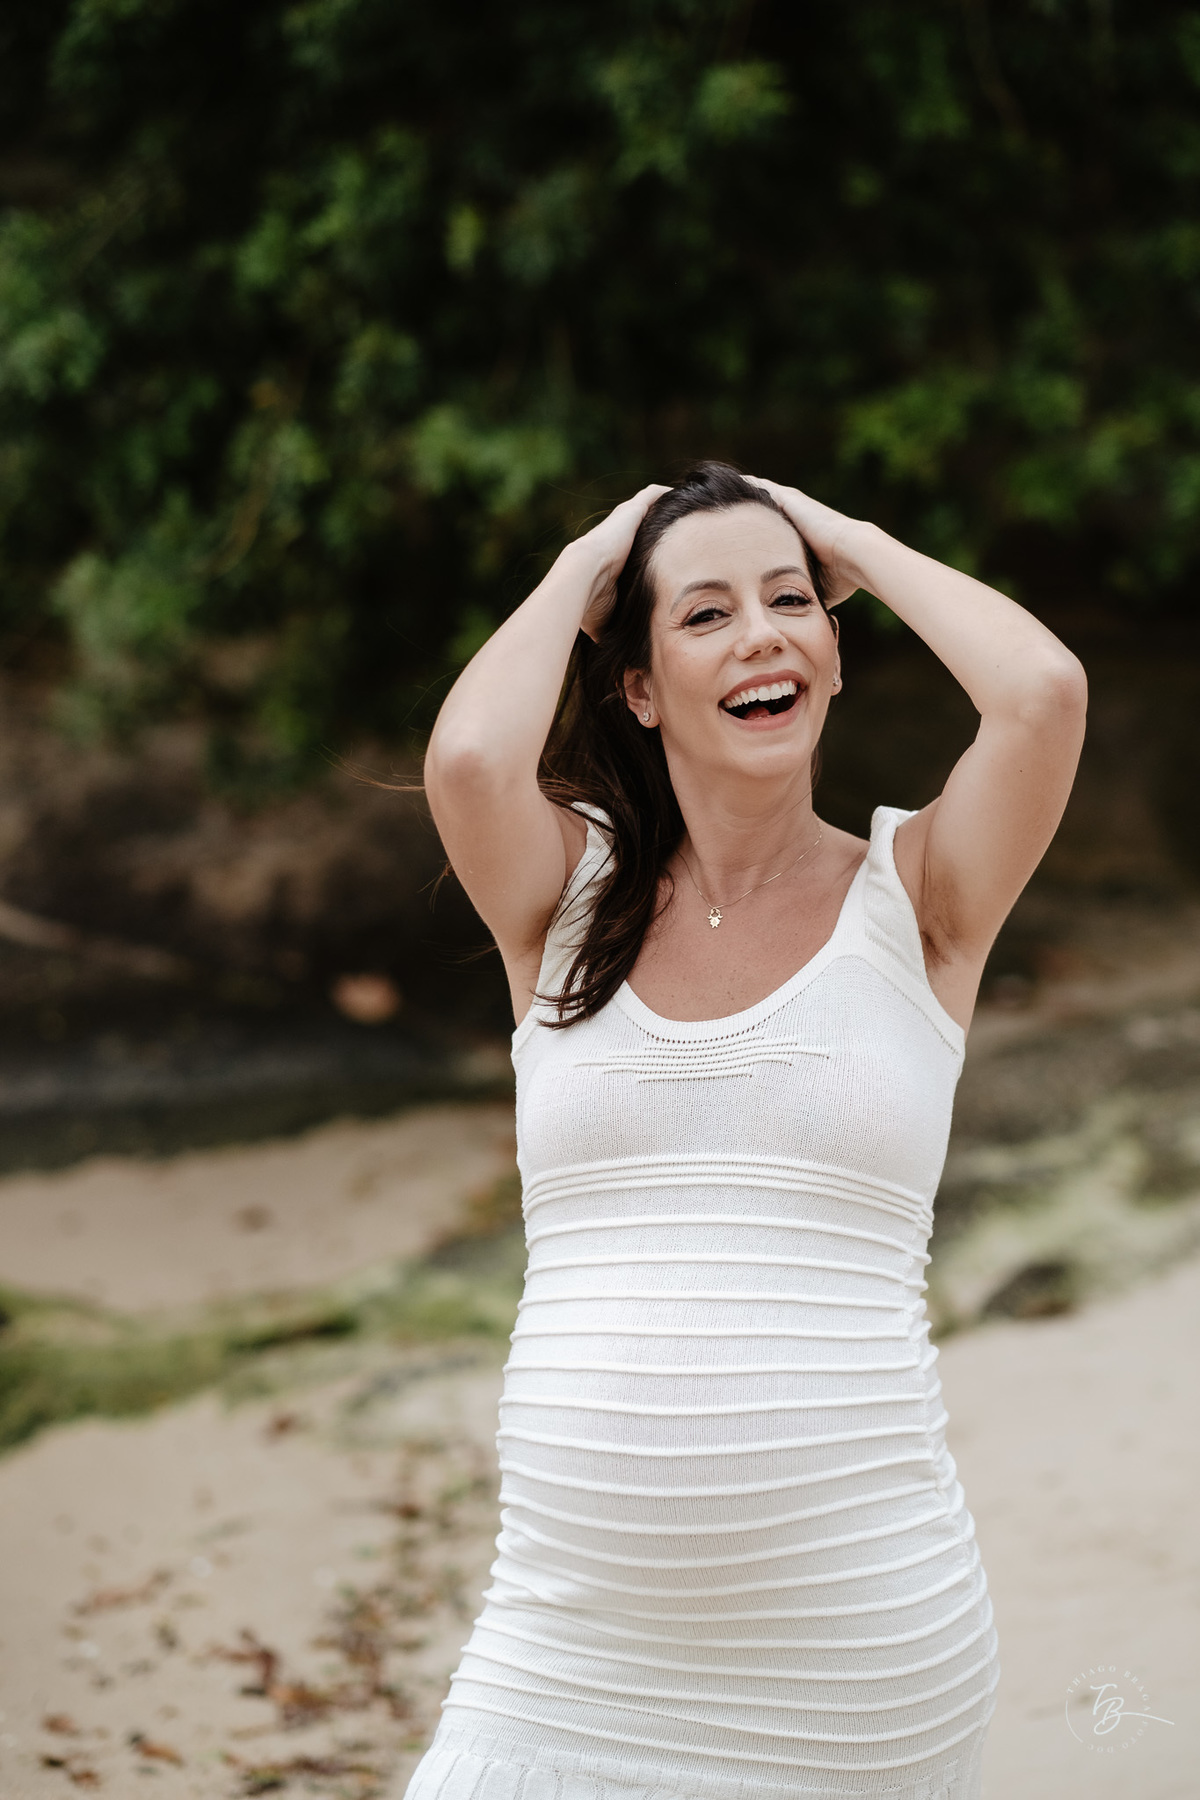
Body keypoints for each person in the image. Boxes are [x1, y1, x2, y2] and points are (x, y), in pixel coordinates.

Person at [402, 462, 1087, 1800]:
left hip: (855, 1661)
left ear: (833, 652)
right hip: (564, 1649)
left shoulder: (921, 896)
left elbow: (1042, 693)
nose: (761, 635)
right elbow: (473, 758)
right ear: (640, 688)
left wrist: (849, 541)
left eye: (790, 603)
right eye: (706, 614)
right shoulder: (566, 900)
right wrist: (593, 556)